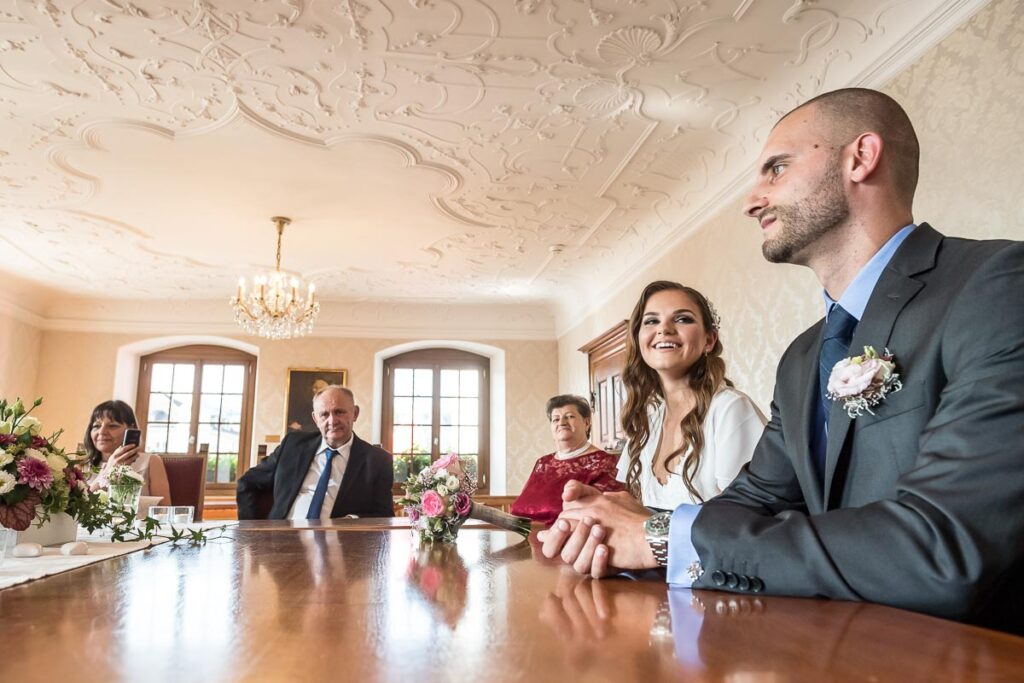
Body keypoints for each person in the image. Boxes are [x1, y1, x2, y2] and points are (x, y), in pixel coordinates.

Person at [538, 88, 1024, 634]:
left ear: (860, 158)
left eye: (776, 168)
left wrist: (658, 538)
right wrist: (618, 527)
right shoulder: (802, 357)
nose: (751, 200)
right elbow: (756, 498)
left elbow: (946, 546)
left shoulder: (997, 284)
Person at [615, 281, 765, 510]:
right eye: (651, 321)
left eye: (682, 319)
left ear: (709, 340)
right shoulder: (649, 417)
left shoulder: (731, 410)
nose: (664, 329)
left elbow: (746, 519)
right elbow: (634, 511)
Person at [237, 385, 394, 519]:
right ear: (315, 419)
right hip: (280, 541)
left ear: (355, 413)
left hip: (339, 546)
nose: (332, 421)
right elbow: (247, 483)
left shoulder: (377, 460)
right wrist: (251, 529)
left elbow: (384, 515)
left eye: (339, 412)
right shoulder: (292, 446)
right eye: (324, 414)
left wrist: (351, 521)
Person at [510, 395, 623, 525]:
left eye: (570, 416)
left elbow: (606, 515)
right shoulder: (543, 462)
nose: (561, 422)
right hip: (519, 534)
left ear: (586, 423)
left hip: (566, 540)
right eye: (555, 419)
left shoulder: (606, 462)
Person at [84, 400, 170, 502]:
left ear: (131, 428)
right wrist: (108, 472)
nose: (101, 432)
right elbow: (78, 510)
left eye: (112, 426)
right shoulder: (81, 466)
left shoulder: (151, 461)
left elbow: (163, 509)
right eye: (96, 426)